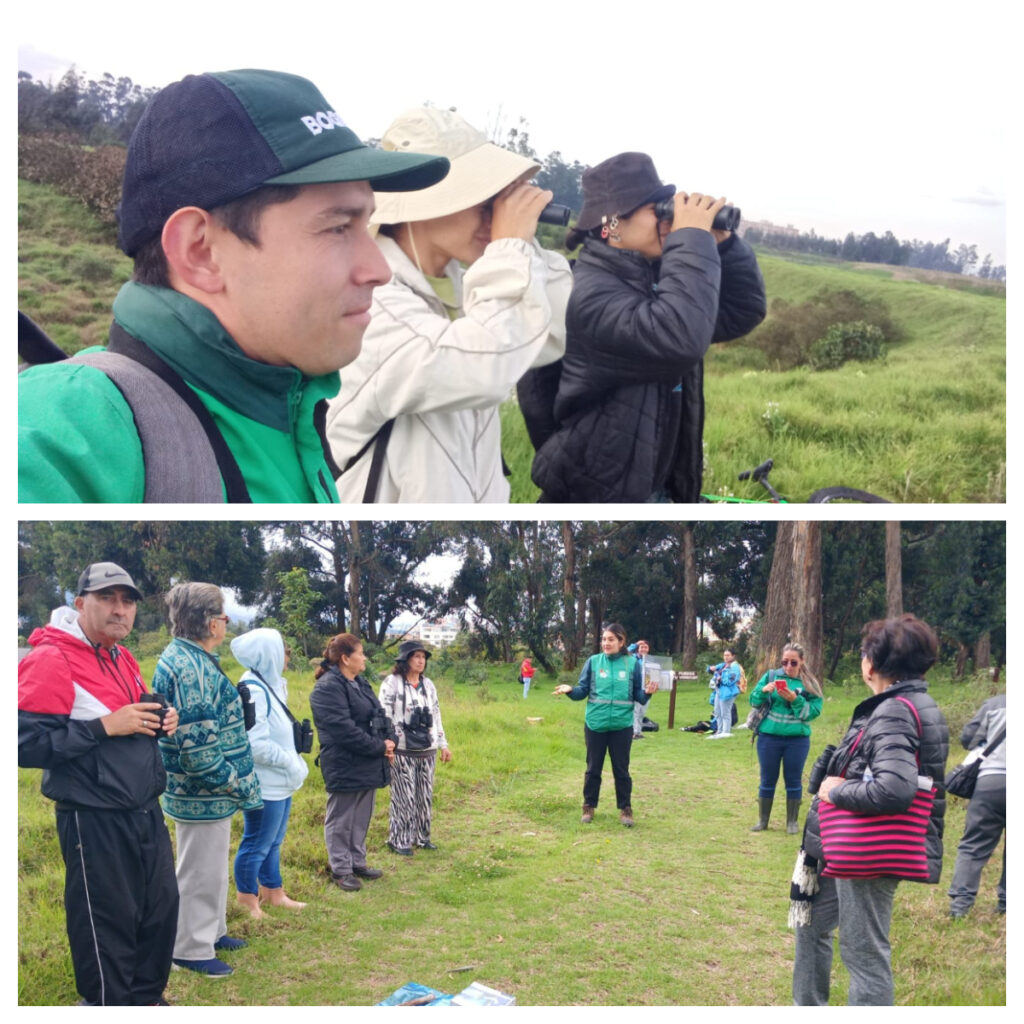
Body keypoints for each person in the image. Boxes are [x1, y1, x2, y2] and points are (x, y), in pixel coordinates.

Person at [18, 69, 449, 503]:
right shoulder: (71, 423)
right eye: (338, 227)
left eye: (367, 225)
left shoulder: (289, 408)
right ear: (201, 252)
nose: (379, 269)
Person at [325, 105, 571, 502]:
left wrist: (521, 242)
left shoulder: (463, 284)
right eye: (484, 200)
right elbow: (479, 367)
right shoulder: (370, 300)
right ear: (423, 202)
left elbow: (553, 332)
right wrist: (509, 246)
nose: (495, 214)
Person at [524, 151, 766, 503]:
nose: (668, 222)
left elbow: (742, 310)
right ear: (613, 224)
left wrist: (722, 245)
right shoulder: (589, 295)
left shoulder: (650, 281)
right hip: (601, 495)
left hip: (656, 483)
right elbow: (680, 338)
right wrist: (691, 239)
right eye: (658, 211)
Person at [18, 563, 180, 1005]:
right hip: (94, 817)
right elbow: (23, 743)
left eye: (127, 601)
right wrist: (104, 727)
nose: (120, 609)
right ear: (79, 603)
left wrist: (161, 717)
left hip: (145, 809)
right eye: (107, 597)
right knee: (106, 925)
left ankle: (147, 999)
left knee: (159, 913)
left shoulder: (121, 655)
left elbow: (129, 717)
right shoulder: (51, 658)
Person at [792, 615, 949, 1005]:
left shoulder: (895, 709)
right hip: (841, 844)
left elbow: (895, 790)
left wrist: (838, 789)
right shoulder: (906, 703)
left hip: (865, 849)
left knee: (864, 954)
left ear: (872, 663)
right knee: (811, 926)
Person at [153, 583, 261, 978]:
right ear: (206, 621)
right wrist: (234, 782)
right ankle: (189, 948)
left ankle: (212, 931)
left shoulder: (193, 658)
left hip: (209, 793)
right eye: (221, 614)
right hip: (204, 789)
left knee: (212, 866)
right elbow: (198, 752)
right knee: (199, 869)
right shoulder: (190, 667)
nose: (226, 621)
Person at [230, 628, 310, 918]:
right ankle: (247, 900)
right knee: (256, 842)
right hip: (266, 782)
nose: (286, 657)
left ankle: (274, 892)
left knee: (273, 840)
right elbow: (256, 745)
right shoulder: (253, 689)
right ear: (269, 654)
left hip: (280, 781)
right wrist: (290, 762)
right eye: (283, 651)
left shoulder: (270, 684)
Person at [309, 634, 396, 890]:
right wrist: (379, 747)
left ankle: (357, 861)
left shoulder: (360, 682)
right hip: (344, 762)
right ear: (346, 658)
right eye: (361, 653)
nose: (365, 658)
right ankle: (341, 869)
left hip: (367, 761)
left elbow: (380, 714)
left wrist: (390, 740)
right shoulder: (327, 688)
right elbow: (343, 730)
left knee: (360, 815)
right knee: (341, 818)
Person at [553, 623, 658, 827]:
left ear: (621, 642)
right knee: (593, 769)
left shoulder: (632, 664)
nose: (606, 643)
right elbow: (582, 691)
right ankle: (588, 806)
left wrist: (648, 693)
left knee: (621, 770)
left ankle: (625, 809)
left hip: (622, 726)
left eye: (610, 639)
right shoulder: (593, 662)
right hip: (595, 724)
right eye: (603, 639)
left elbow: (639, 696)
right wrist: (569, 690)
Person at [378, 640, 452, 855]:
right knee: (404, 796)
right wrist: (387, 743)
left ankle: (422, 837)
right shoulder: (392, 683)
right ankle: (399, 840)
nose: (421, 661)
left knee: (424, 796)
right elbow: (384, 715)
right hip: (402, 749)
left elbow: (436, 715)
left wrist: (443, 744)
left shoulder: (428, 685)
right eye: (416, 656)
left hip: (427, 749)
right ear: (405, 659)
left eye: (423, 657)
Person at [748, 643, 823, 833]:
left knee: (794, 780)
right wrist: (763, 691)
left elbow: (813, 712)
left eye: (793, 662)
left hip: (797, 740)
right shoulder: (771, 676)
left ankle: (792, 822)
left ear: (802, 661)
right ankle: (763, 821)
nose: (788, 666)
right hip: (768, 738)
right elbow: (753, 701)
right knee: (767, 779)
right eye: (784, 662)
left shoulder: (809, 683)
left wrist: (795, 700)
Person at [948, 693, 1006, 919]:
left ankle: (960, 907)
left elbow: (967, 739)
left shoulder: (995, 704)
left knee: (974, 844)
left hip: (991, 782)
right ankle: (1006, 905)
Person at [706, 648, 742, 739]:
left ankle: (726, 732)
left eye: (728, 655)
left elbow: (732, 680)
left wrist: (721, 679)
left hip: (728, 692)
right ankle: (719, 730)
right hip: (719, 691)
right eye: (724, 655)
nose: (726, 657)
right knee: (717, 711)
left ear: (733, 656)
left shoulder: (735, 667)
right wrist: (710, 668)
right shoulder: (723, 665)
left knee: (725, 712)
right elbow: (710, 669)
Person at [629, 640, 651, 739]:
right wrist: (636, 644)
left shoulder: (650, 660)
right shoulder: (632, 658)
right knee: (635, 711)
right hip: (637, 688)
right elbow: (625, 651)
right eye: (641, 647)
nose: (643, 649)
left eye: (645, 647)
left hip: (647, 689)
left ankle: (638, 732)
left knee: (642, 711)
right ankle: (633, 732)